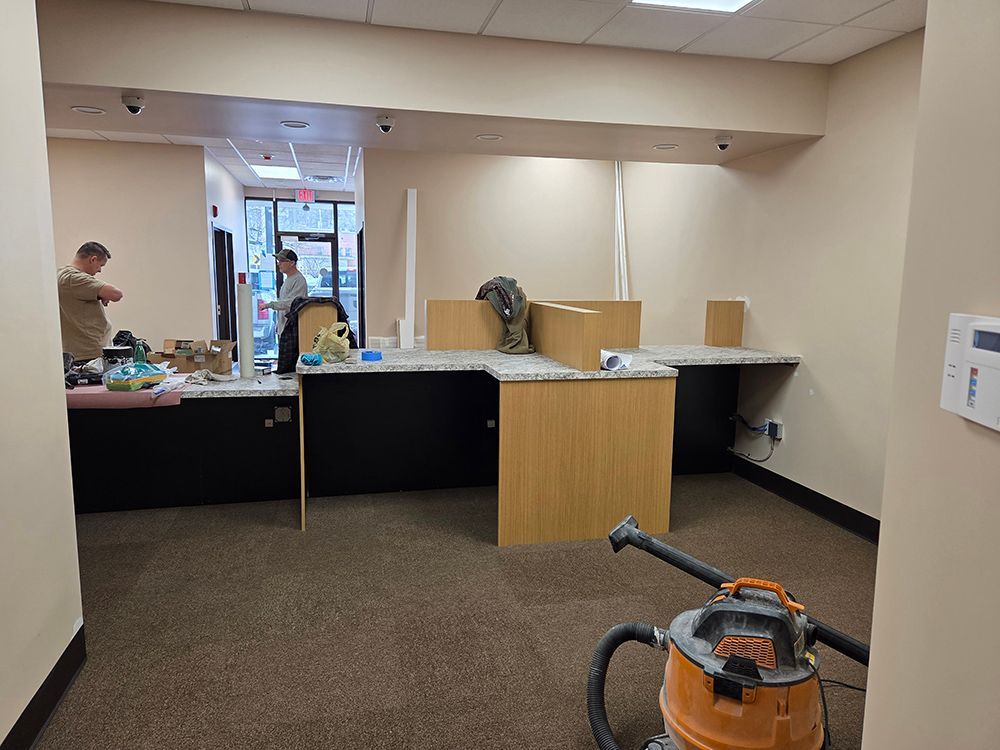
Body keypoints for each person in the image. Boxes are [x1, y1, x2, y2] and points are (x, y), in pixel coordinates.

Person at [57, 241, 124, 361]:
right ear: (93, 259)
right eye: (101, 265)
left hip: (79, 350)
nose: (99, 271)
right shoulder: (75, 278)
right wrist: (104, 294)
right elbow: (116, 294)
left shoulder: (60, 274)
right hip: (89, 353)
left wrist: (100, 295)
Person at [259, 248, 308, 336]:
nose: (278, 264)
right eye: (278, 261)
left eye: (282, 261)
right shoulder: (289, 279)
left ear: (292, 263)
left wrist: (269, 305)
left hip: (291, 330)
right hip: (284, 328)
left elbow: (292, 303)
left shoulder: (299, 280)